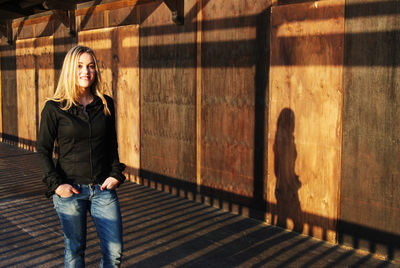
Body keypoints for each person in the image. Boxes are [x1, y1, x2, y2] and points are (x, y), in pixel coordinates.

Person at [37, 45, 125, 268]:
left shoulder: (105, 104)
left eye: (90, 66)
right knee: (75, 251)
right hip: (71, 191)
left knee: (114, 253)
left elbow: (111, 144)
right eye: (79, 66)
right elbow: (43, 150)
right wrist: (57, 186)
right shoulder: (54, 108)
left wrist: (116, 174)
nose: (86, 71)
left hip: (102, 189)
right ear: (70, 69)